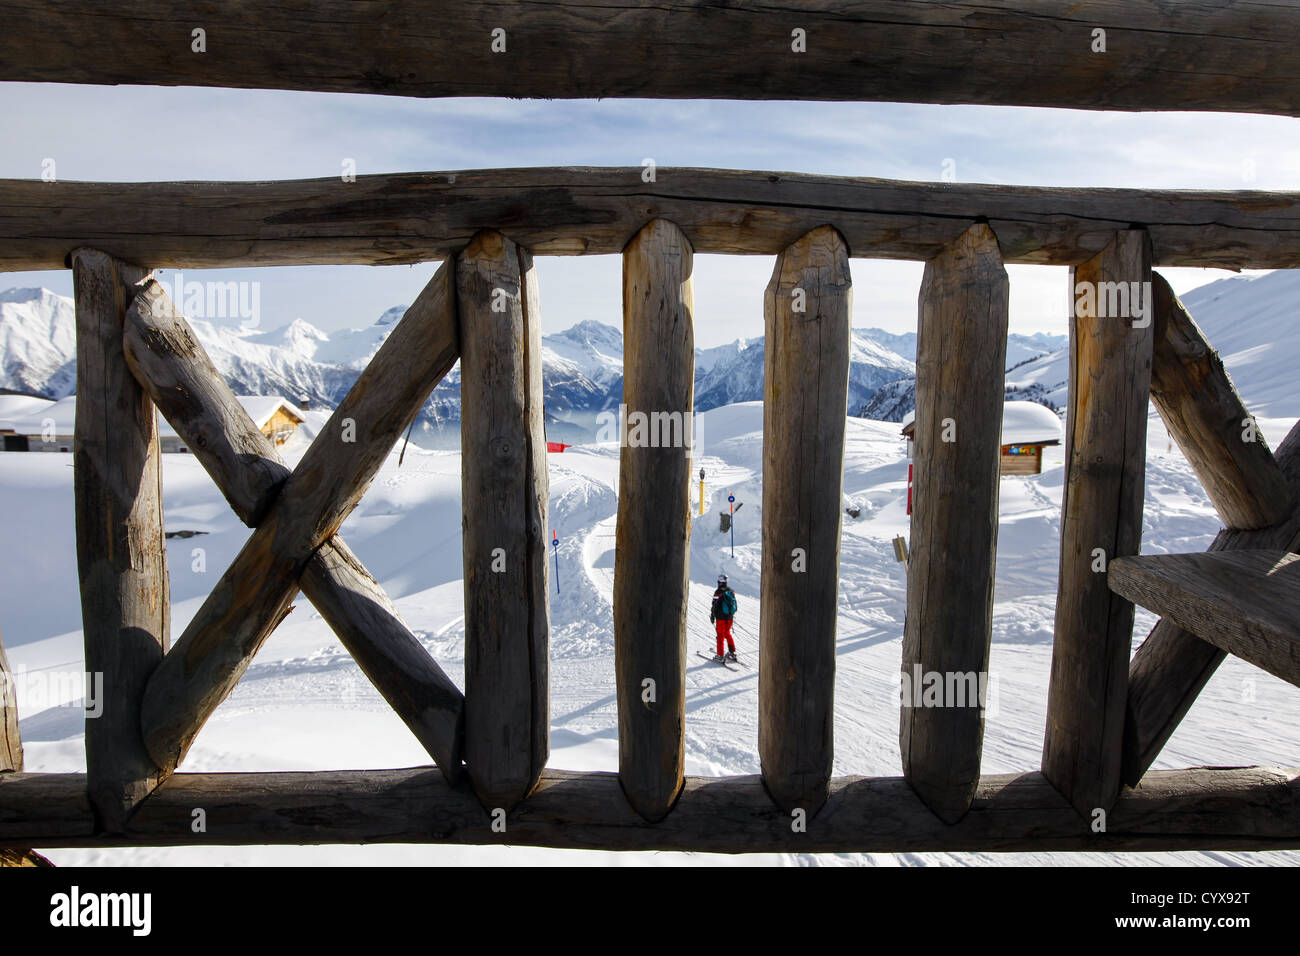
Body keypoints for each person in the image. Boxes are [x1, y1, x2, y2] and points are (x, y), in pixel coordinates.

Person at [709, 573, 738, 663]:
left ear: (719, 582)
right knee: (727, 633)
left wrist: (712, 616)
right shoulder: (731, 591)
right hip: (729, 617)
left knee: (720, 636)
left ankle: (720, 655)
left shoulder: (718, 592)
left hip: (720, 618)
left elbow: (714, 605)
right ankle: (732, 652)